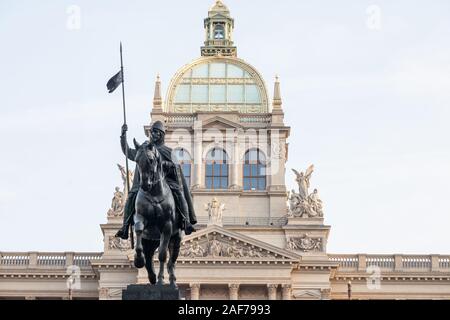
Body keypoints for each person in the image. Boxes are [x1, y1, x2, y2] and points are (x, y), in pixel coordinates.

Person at [115, 121, 197, 239]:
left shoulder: (168, 151)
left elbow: (176, 169)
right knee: (131, 196)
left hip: (166, 182)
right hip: (144, 183)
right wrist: (123, 136)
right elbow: (128, 152)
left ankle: (186, 221)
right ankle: (125, 227)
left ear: (161, 135)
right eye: (152, 132)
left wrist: (163, 164)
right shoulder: (143, 150)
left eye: (155, 132)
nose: (152, 135)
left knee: (179, 193)